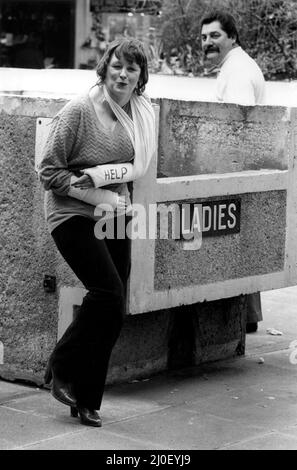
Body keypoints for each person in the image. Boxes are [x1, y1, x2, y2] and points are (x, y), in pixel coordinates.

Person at [38, 38, 156, 427]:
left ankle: (86, 398)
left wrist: (111, 198)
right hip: (71, 211)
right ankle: (61, 365)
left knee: (113, 305)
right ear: (104, 68)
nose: (123, 74)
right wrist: (97, 194)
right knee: (106, 291)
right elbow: (49, 173)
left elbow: (138, 167)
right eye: (117, 65)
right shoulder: (78, 112)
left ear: (140, 78)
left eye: (132, 69)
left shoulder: (139, 114)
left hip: (114, 211)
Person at [200, 9, 265, 332]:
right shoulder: (235, 65)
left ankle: (242, 317)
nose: (207, 42)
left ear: (232, 37)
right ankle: (247, 316)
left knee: (230, 241)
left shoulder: (237, 71)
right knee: (238, 242)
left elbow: (236, 127)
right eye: (204, 37)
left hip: (235, 169)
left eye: (215, 36)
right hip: (240, 169)